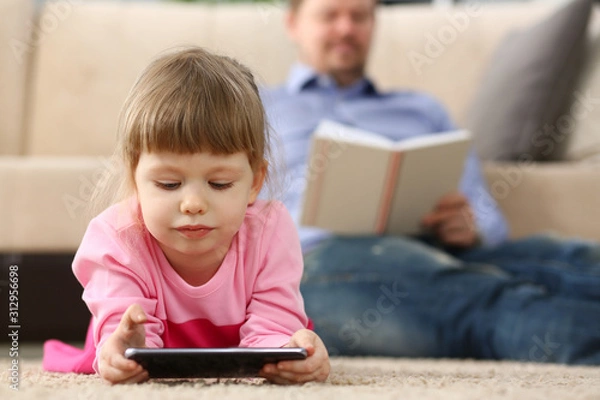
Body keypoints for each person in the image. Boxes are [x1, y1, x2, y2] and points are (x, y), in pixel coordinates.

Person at [260, 0, 600, 365]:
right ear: (293, 23)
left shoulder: (422, 109)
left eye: (359, 16)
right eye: (330, 15)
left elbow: (490, 218)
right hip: (322, 261)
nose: (346, 28)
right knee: (480, 298)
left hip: (443, 249)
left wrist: (471, 226)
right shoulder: (258, 108)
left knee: (569, 260)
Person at [42, 46, 330, 384]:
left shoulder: (271, 230)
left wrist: (290, 352)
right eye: (169, 184)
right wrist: (124, 348)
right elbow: (129, 345)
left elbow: (274, 328)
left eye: (219, 184)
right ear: (135, 177)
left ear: (255, 183)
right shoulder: (114, 240)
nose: (193, 203)